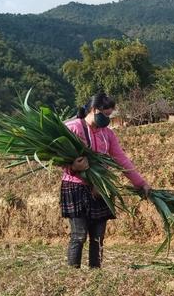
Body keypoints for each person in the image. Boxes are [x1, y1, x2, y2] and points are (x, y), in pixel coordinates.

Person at [61, 93, 151, 268]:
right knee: (79, 235)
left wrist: (141, 183)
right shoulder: (72, 128)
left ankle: (96, 272)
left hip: (100, 188)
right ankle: (72, 275)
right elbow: (56, 156)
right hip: (76, 187)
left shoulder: (107, 134)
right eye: (106, 115)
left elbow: (122, 160)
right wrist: (72, 167)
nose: (108, 119)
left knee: (98, 237)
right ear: (95, 110)